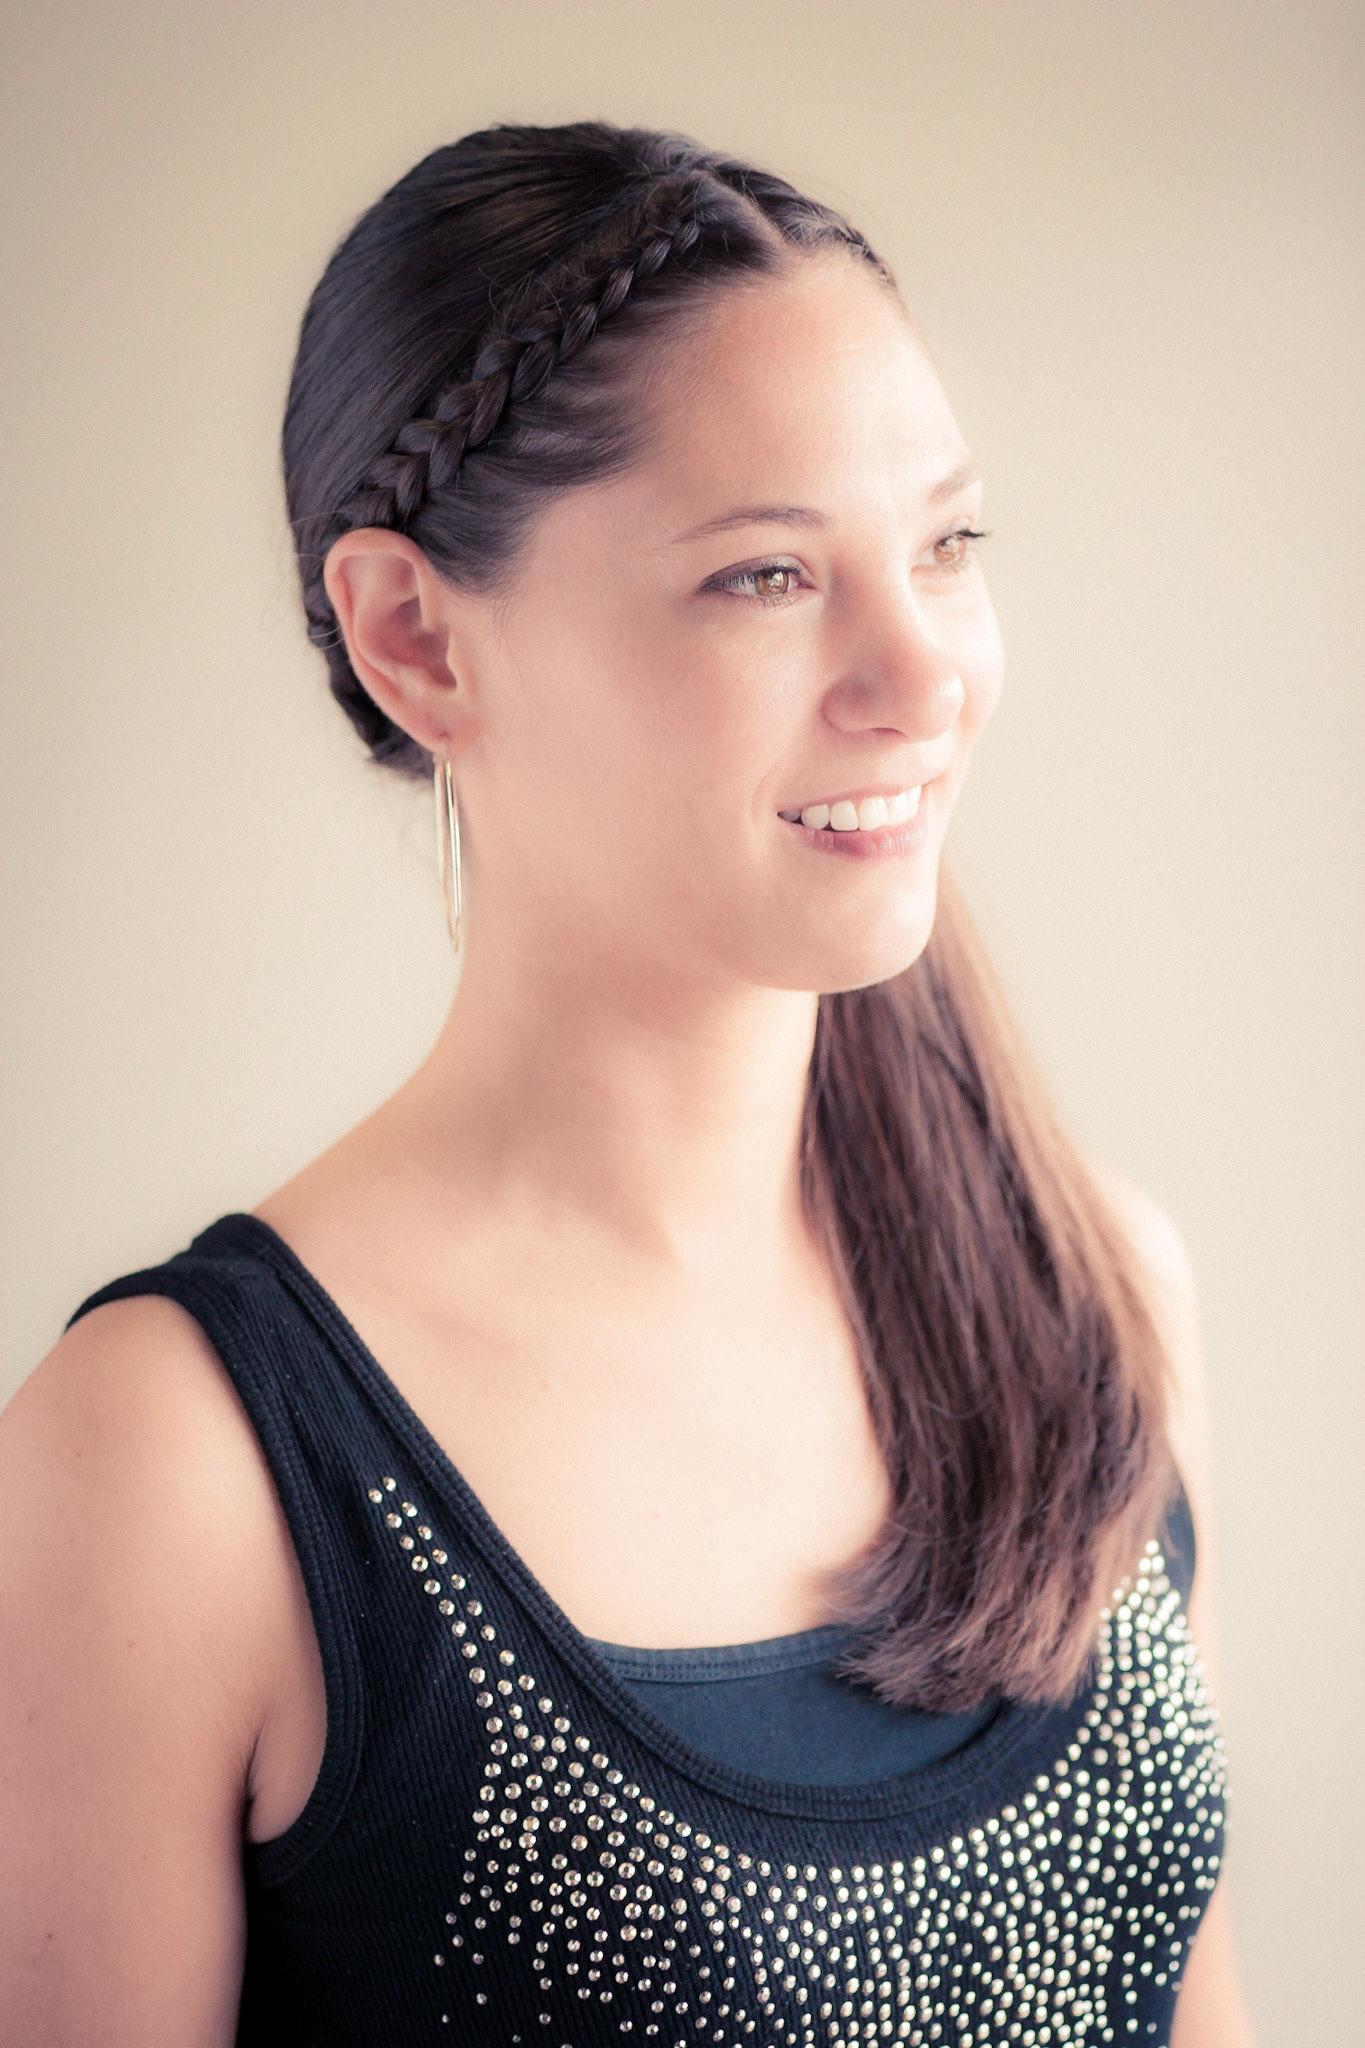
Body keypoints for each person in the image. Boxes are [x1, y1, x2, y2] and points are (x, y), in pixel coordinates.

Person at [0, 122, 1256, 2046]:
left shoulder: (1090, 1291)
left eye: (946, 544)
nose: (923, 674)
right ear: (416, 638)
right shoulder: (177, 1468)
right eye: (764, 576)